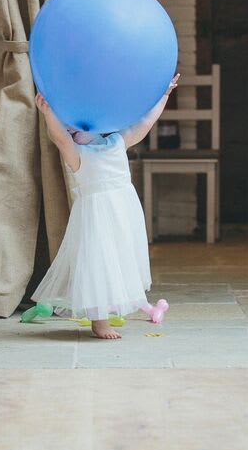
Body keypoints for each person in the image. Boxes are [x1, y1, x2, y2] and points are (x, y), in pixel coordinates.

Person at [32, 74, 180, 339]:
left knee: (121, 259)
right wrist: (49, 113)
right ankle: (99, 322)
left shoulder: (116, 142)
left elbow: (145, 123)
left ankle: (117, 306)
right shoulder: (77, 155)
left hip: (122, 211)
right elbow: (59, 138)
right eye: (67, 128)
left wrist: (164, 95)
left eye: (75, 126)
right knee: (97, 265)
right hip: (96, 217)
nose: (70, 130)